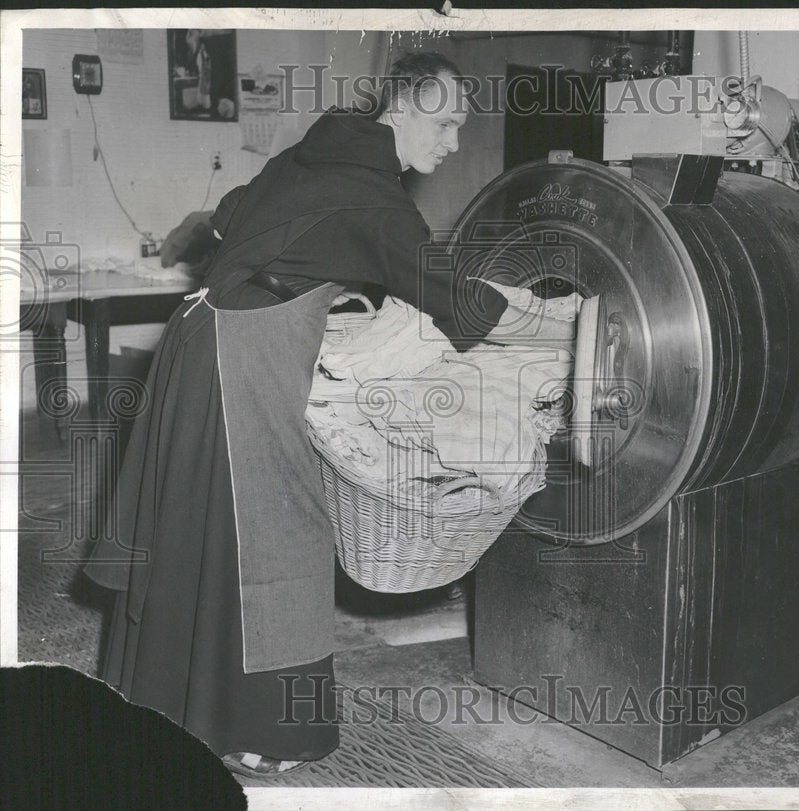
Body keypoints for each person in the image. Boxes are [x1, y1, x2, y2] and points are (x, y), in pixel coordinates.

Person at [84, 51, 572, 778]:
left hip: (197, 339)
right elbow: (462, 304)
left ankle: (162, 703)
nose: (452, 142)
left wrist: (311, 276)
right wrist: (562, 322)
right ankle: (264, 730)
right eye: (442, 122)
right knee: (278, 535)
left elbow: (226, 217)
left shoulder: (315, 152)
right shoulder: (373, 196)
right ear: (402, 106)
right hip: (242, 358)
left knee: (200, 526)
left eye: (460, 126)